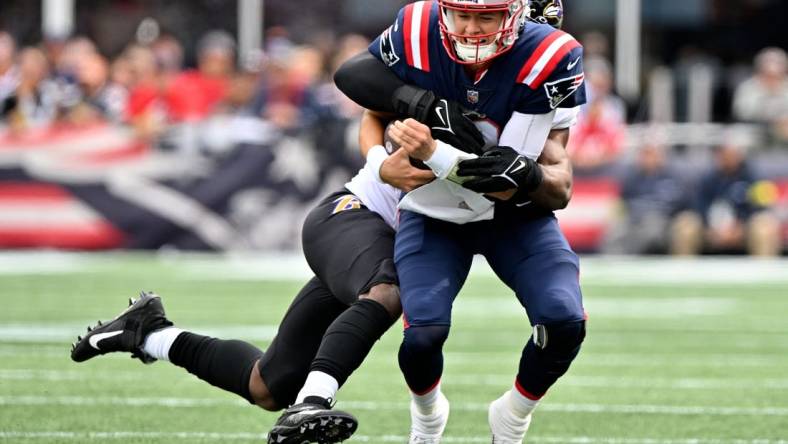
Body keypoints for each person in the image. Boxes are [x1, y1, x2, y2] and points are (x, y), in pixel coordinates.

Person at [337, 1, 587, 442]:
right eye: (461, 14)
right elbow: (357, 83)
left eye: (486, 16)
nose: (471, 29)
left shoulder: (547, 55)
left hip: (513, 214)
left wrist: (519, 172)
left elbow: (532, 184)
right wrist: (398, 136)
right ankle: (428, 417)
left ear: (517, 17)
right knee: (421, 338)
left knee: (564, 320)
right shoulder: (420, 29)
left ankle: (512, 416)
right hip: (434, 209)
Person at [672, 138, 781, 256]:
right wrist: (710, 228)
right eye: (724, 154)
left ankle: (763, 271)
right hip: (711, 230)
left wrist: (740, 227)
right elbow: (698, 206)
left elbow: (761, 207)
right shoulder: (707, 178)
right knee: (685, 223)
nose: (728, 158)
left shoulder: (753, 177)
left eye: (732, 154)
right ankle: (683, 270)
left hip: (744, 229)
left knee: (765, 225)